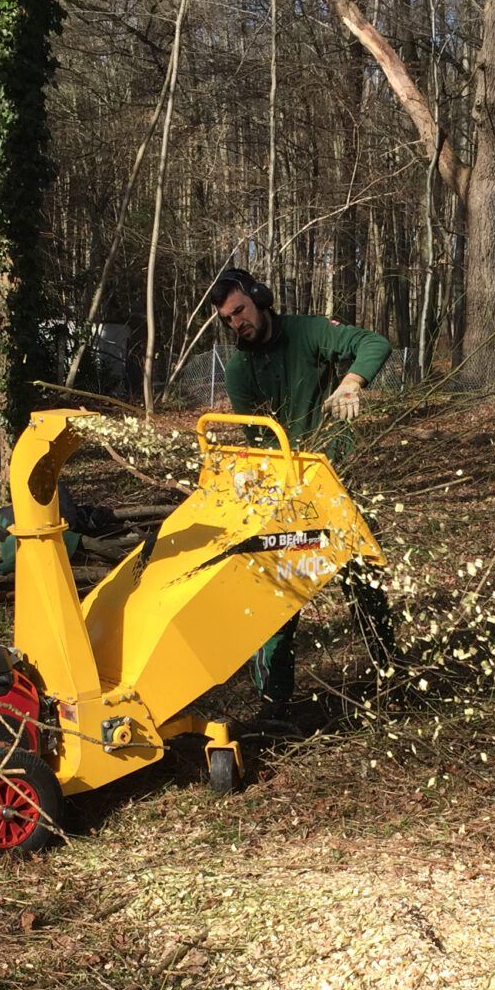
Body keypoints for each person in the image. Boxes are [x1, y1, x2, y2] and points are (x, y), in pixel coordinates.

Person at [208, 266, 396, 712]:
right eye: (228, 319)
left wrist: (351, 383)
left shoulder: (309, 332)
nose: (237, 323)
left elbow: (374, 343)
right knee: (277, 594)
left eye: (240, 310)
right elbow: (259, 443)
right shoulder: (239, 370)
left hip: (336, 481)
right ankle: (274, 701)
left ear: (259, 297)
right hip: (286, 494)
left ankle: (389, 673)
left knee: (363, 581)